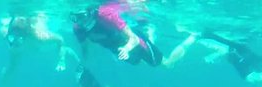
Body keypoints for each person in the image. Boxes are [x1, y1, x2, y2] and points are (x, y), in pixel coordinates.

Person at [70, 1, 198, 69]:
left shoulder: (106, 15)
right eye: (76, 18)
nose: (82, 22)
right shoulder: (78, 28)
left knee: (166, 64)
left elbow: (133, 39)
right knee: (138, 62)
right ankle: (151, 35)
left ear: (90, 12)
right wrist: (84, 61)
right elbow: (85, 46)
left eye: (83, 17)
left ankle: (194, 36)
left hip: (133, 41)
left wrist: (126, 49)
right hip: (118, 49)